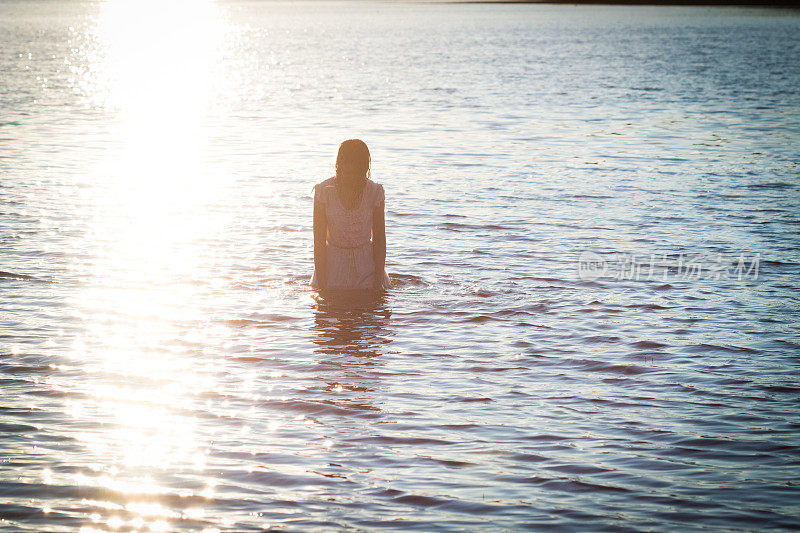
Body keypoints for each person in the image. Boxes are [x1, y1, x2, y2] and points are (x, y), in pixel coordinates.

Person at [311, 139, 390, 292]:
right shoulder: (323, 192)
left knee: (369, 312)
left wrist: (377, 282)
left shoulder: (375, 192)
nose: (351, 177)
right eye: (347, 171)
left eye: (357, 172)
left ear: (364, 168)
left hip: (367, 267)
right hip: (332, 269)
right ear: (339, 166)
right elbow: (318, 242)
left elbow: (380, 239)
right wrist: (322, 286)